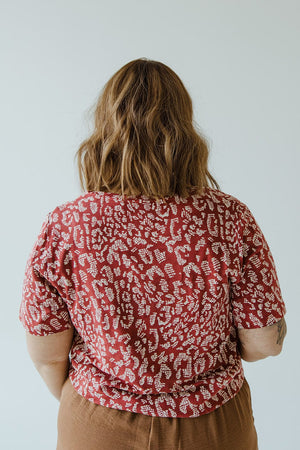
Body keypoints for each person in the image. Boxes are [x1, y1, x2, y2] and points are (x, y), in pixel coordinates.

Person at [19, 58, 287, 450]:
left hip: (98, 421)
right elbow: (265, 342)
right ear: (184, 128)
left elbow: (46, 352)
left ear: (104, 129)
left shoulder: (68, 224)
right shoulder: (229, 217)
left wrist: (95, 408)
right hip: (213, 423)